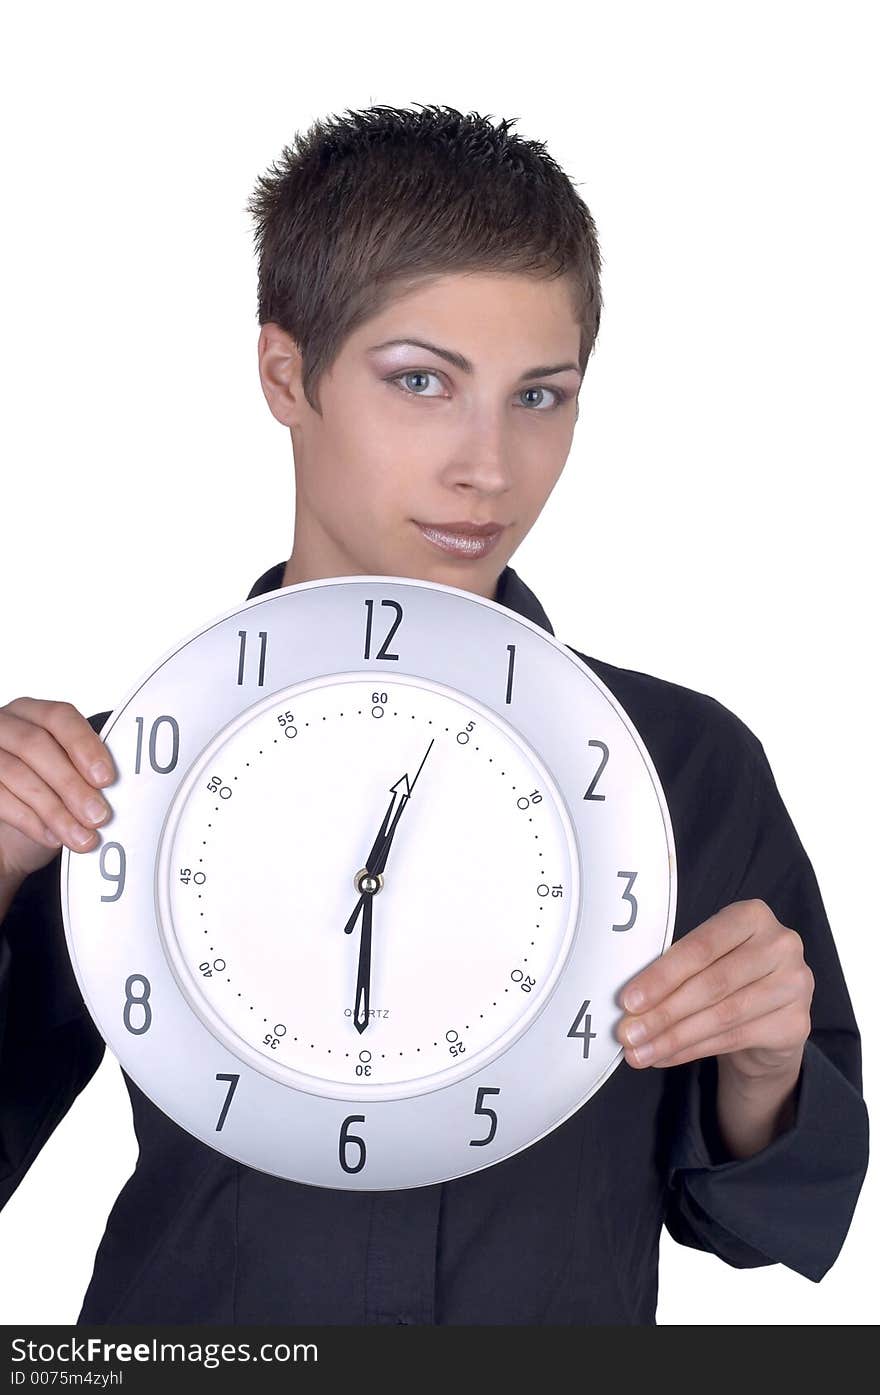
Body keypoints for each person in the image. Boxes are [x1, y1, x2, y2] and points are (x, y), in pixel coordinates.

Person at [0, 103, 868, 1326]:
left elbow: (766, 1219)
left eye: (540, 396)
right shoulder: (116, 776)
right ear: (284, 373)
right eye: (422, 382)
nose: (490, 468)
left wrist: (767, 1066)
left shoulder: (684, 769)